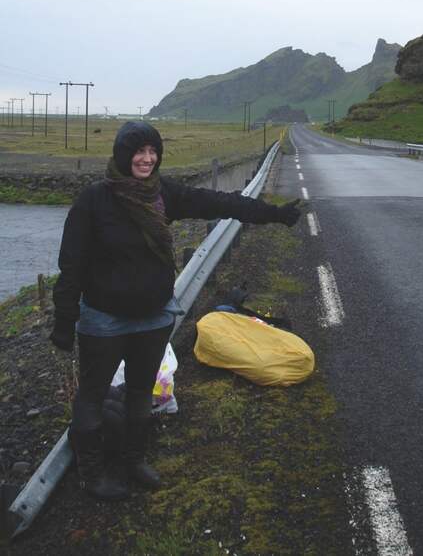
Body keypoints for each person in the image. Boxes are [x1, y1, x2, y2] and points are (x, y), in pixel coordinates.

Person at [50, 120, 300, 500]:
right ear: (122, 154)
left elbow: (221, 203)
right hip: (103, 320)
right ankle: (93, 475)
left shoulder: (162, 194)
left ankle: (134, 461)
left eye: (152, 151)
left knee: (139, 392)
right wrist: (65, 321)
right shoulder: (94, 200)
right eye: (139, 151)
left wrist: (274, 214)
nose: (147, 159)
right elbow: (71, 264)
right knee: (91, 396)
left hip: (152, 317)